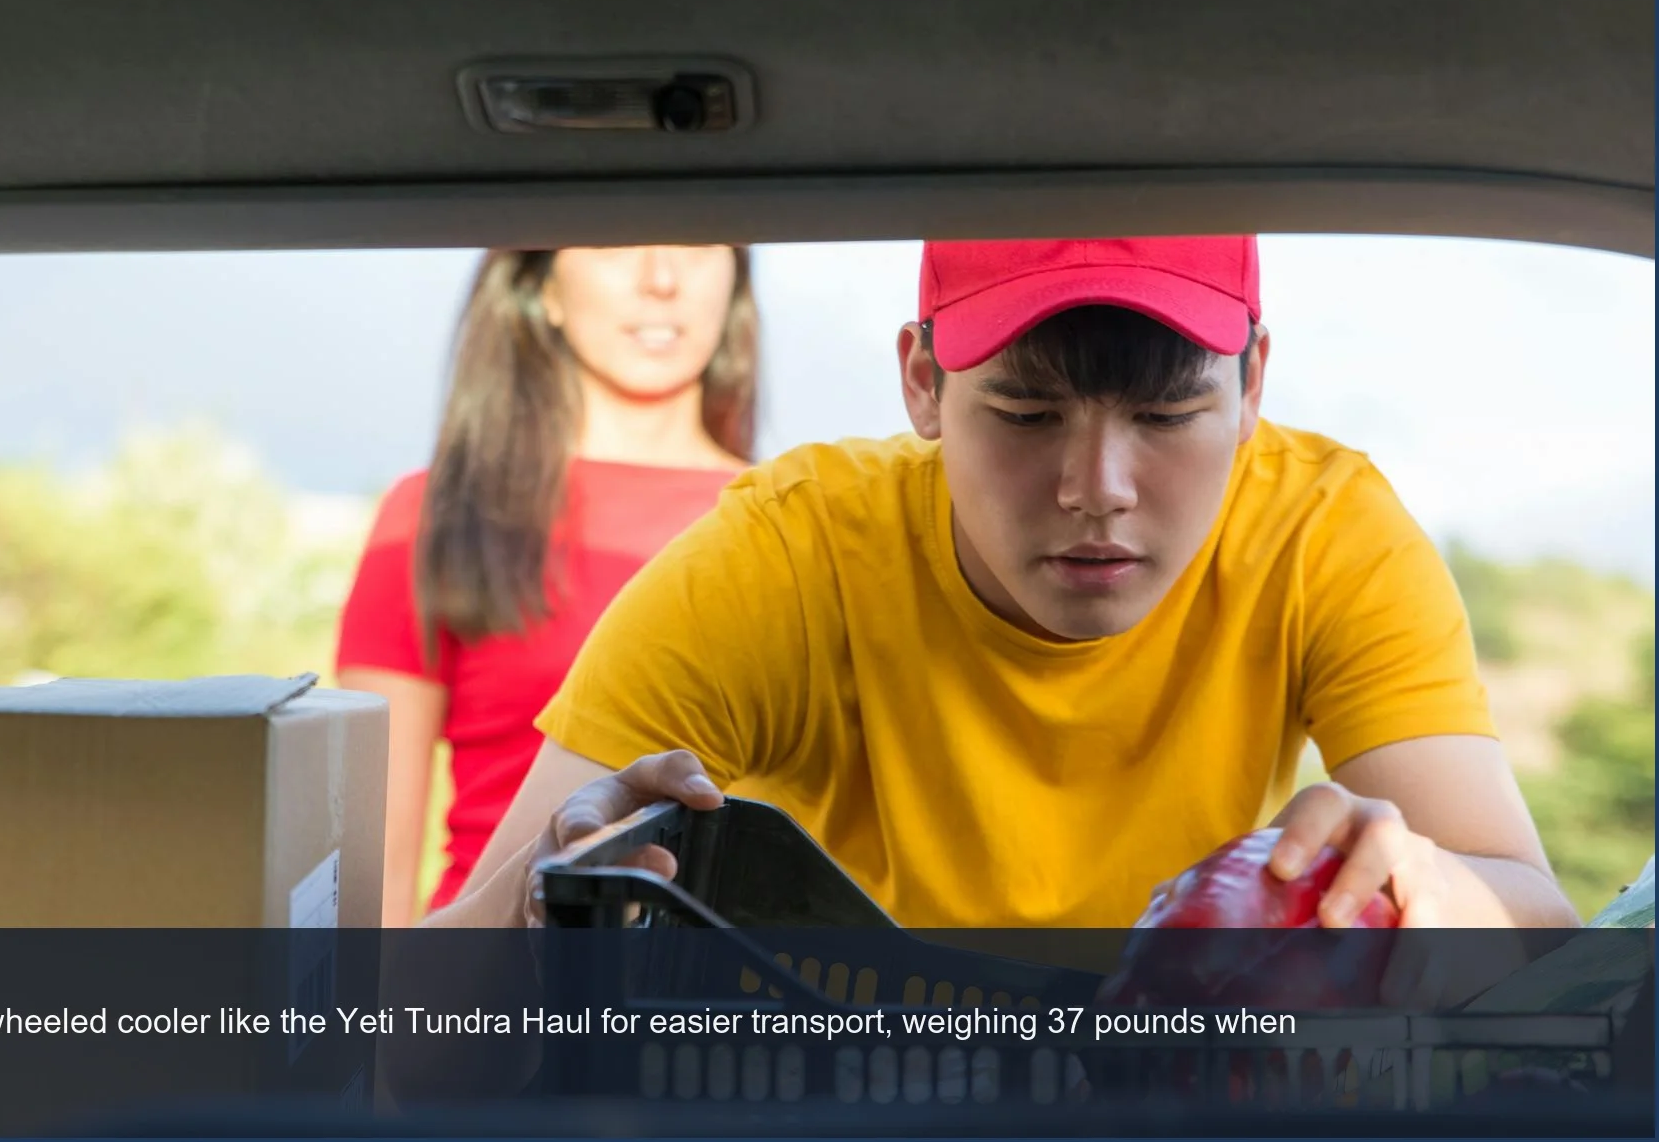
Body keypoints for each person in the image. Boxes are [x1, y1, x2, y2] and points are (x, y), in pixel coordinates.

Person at [420, 234, 1579, 934]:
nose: (1096, 487)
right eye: (1025, 414)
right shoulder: (783, 559)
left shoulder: (1324, 532)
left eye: (1170, 416)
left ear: (1252, 382)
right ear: (922, 382)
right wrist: (545, 898)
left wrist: (1422, 889)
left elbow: (1532, 915)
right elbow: (434, 1018)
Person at [336, 245, 758, 926]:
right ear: (545, 289)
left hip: (712, 1003)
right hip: (484, 984)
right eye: (615, 244)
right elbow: (366, 873)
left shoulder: (789, 525)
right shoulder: (433, 515)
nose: (662, 280)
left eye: (700, 243)